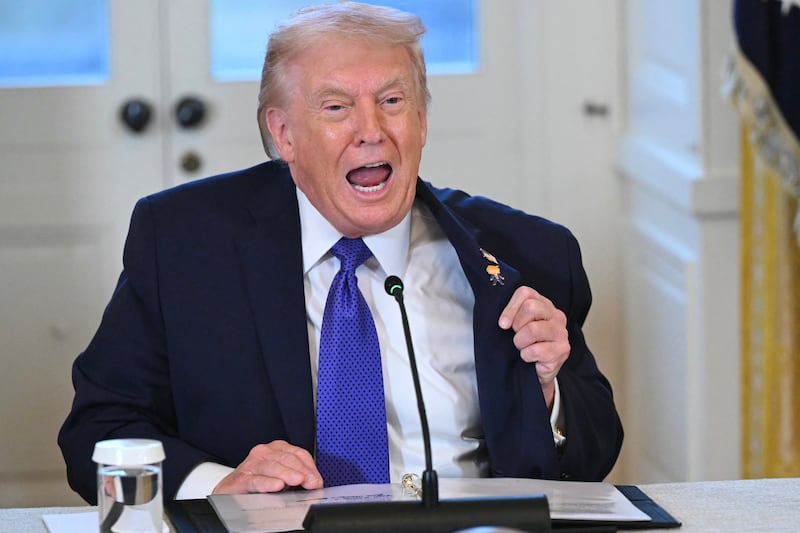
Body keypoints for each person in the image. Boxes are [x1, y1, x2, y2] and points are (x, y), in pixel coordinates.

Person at [58, 2, 623, 503]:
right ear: (283, 134)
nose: (371, 130)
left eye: (392, 101)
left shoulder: (529, 253)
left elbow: (593, 455)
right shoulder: (184, 243)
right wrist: (222, 486)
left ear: (422, 119)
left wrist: (547, 393)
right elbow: (98, 431)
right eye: (335, 107)